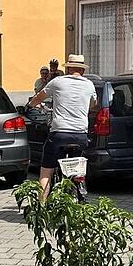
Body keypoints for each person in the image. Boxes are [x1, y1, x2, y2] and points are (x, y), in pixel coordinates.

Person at [28, 54, 96, 199]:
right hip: (81, 135)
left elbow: (39, 97)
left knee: (46, 171)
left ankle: (42, 206)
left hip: (59, 134)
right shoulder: (89, 84)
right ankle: (78, 187)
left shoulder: (58, 82)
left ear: (68, 68)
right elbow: (93, 104)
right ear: (82, 70)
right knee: (77, 169)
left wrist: (32, 104)